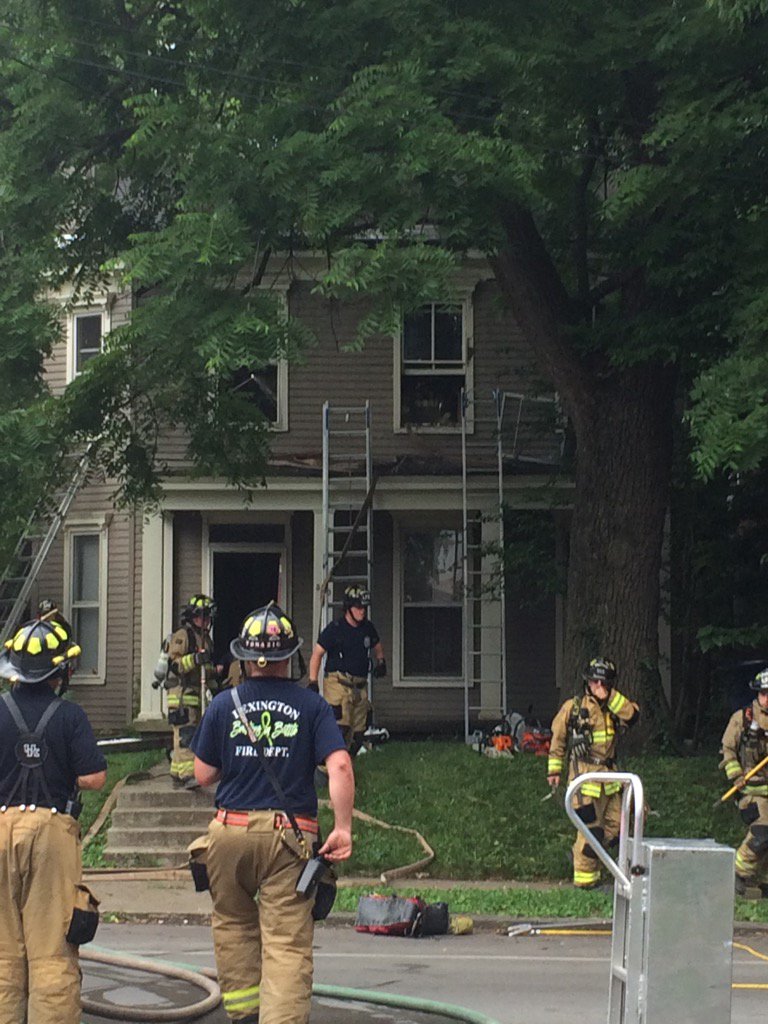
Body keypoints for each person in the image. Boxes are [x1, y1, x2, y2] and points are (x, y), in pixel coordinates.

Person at [191, 601, 354, 1024]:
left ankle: (244, 1016)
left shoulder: (225, 704)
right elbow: (338, 764)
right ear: (288, 657)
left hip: (229, 833)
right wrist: (342, 828)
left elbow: (203, 773)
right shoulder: (312, 706)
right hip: (289, 839)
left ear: (244, 658)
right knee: (285, 944)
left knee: (232, 925)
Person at [0, 618, 107, 1024]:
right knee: (51, 953)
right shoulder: (69, 715)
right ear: (61, 671)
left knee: (4, 951)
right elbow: (94, 778)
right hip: (50, 834)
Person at [547, 657, 640, 889]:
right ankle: (585, 882)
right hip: (584, 777)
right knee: (591, 828)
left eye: (603, 683)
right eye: (594, 682)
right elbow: (557, 739)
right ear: (586, 682)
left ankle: (584, 856)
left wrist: (609, 698)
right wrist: (554, 770)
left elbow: (633, 715)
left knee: (619, 828)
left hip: (609, 777)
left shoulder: (614, 707)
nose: (598, 686)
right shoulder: (574, 708)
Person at [308, 585, 386, 753]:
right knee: (339, 730)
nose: (362, 612)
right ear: (348, 608)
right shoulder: (335, 629)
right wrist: (313, 681)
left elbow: (377, 644)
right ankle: (327, 771)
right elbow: (317, 654)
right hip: (339, 684)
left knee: (358, 734)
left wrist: (381, 661)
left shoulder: (367, 628)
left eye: (364, 608)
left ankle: (347, 768)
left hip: (360, 686)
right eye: (358, 608)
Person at [721, 668, 768, 896]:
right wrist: (736, 775)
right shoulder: (742, 718)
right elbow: (728, 750)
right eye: (763, 693)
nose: (767, 698)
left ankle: (764, 885)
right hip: (751, 792)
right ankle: (737, 874)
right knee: (762, 832)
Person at [167, 593, 222, 789]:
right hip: (181, 694)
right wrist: (195, 659)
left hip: (196, 695)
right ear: (194, 616)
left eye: (209, 617)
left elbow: (204, 672)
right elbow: (174, 664)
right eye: (203, 616)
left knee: (189, 733)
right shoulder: (183, 636)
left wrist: (216, 675)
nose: (207, 621)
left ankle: (176, 771)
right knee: (186, 735)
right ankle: (188, 775)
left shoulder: (205, 639)